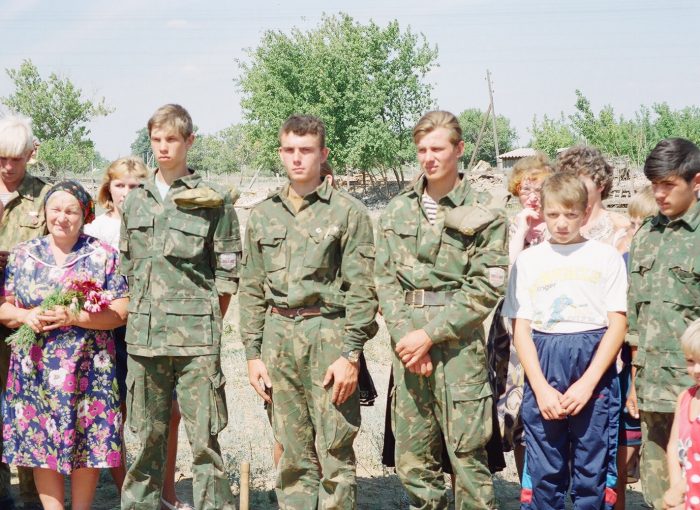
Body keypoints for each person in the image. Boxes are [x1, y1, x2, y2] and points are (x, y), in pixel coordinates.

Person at [240, 115, 378, 509]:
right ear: (280, 153)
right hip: (278, 336)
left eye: (306, 150)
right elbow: (250, 288)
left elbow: (363, 290)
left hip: (328, 335)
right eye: (290, 150)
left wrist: (350, 355)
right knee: (292, 451)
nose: (297, 158)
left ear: (323, 154)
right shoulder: (264, 214)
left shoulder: (348, 212)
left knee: (335, 449)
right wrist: (252, 354)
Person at [375, 110, 508, 509]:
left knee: (468, 455)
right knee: (414, 460)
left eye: (438, 148)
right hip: (407, 349)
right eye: (421, 150)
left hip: (458, 348)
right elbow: (383, 280)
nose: (428, 157)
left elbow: (487, 285)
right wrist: (406, 339)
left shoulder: (486, 211)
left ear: (459, 149)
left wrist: (429, 335)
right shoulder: (397, 210)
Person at [119, 104, 241, 510]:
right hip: (144, 342)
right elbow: (127, 268)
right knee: (145, 442)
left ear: (189, 141)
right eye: (156, 140)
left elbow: (226, 274)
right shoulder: (135, 202)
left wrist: (206, 324)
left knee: (205, 443)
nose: (163, 147)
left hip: (197, 346)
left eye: (172, 139)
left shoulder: (212, 200)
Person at [0, 180, 128, 510]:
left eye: (71, 210)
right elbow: (4, 307)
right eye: (55, 209)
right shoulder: (23, 254)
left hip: (89, 370)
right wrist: (25, 316)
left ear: (84, 214)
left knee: (89, 442)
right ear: (45, 212)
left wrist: (76, 316)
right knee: (41, 445)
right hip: (35, 371)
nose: (62, 217)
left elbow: (122, 311)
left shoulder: (103, 255)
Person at [503, 171, 627, 509]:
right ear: (542, 211)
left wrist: (588, 383)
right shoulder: (529, 261)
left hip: (593, 360)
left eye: (571, 214)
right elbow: (521, 328)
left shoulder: (606, 258)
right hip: (544, 358)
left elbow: (618, 323)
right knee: (545, 470)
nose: (561, 223)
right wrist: (540, 387)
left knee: (593, 469)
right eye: (553, 214)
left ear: (585, 213)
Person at [627, 137, 700, 509]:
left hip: (694, 384)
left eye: (668, 184)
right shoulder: (646, 236)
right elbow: (635, 317)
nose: (658, 193)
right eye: (654, 184)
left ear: (696, 182)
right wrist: (635, 382)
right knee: (659, 490)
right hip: (652, 382)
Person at [0, 114, 50, 510]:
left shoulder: (46, 198)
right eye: (0, 158)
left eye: (15, 158)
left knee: (30, 406)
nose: (6, 166)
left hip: (27, 321)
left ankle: (34, 494)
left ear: (30, 155)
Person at [498, 152, 554, 483]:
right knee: (517, 416)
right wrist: (520, 234)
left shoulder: (562, 225)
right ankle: (527, 491)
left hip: (551, 332)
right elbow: (505, 278)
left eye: (538, 187)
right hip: (513, 331)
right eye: (524, 188)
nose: (531, 195)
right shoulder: (511, 227)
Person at [613, 186, 656, 510]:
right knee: (623, 446)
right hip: (628, 363)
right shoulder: (623, 262)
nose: (635, 232)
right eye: (632, 224)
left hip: (669, 363)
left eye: (643, 224)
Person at [556, 145, 630, 245]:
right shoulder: (557, 228)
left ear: (600, 184)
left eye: (578, 182)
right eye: (566, 182)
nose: (570, 188)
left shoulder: (621, 228)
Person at [664, 319, 700, 510]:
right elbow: (673, 446)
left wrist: (680, 490)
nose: (697, 370)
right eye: (691, 361)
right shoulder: (684, 398)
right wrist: (676, 490)